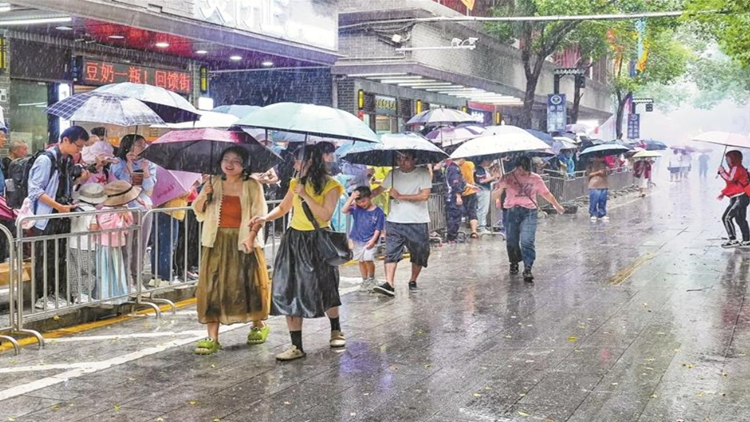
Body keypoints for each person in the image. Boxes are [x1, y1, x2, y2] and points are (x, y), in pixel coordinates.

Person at [250, 144, 345, 361]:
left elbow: (324, 215)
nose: (294, 164)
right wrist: (265, 218)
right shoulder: (295, 183)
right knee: (289, 288)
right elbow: (284, 208)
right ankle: (296, 345)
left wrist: (306, 195)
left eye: (298, 160)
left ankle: (336, 329)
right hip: (294, 239)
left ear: (310, 161)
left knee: (326, 286)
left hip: (318, 239)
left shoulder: (332, 186)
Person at [192, 147, 271, 355]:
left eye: (236, 160)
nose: (229, 164)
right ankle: (212, 337)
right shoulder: (213, 183)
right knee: (212, 286)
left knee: (247, 285)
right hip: (215, 241)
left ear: (244, 165)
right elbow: (198, 210)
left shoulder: (252, 185)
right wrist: (204, 197)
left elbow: (259, 214)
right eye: (226, 159)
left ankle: (258, 325)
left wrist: (251, 237)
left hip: (244, 240)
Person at [28, 126, 92, 309]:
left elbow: (64, 183)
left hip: (62, 215)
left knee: (60, 256)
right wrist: (58, 206)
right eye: (78, 146)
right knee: (44, 257)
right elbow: (35, 190)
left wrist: (79, 181)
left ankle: (56, 293)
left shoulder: (67, 160)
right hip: (46, 217)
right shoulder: (46, 159)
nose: (80, 150)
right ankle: (41, 297)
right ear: (65, 140)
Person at [371, 151, 432, 296]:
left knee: (419, 253)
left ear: (414, 160)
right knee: (391, 252)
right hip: (395, 220)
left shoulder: (423, 173)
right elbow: (379, 190)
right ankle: (389, 284)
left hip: (417, 220)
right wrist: (362, 196)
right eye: (398, 159)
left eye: (406, 159)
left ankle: (412, 279)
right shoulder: (392, 174)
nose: (401, 162)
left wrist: (400, 196)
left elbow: (424, 195)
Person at [495, 156, 565, 282]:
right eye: (521, 169)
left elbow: (545, 193)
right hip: (511, 211)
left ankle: (528, 267)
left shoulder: (535, 178)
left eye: (527, 170)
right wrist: (501, 188)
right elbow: (494, 196)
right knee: (511, 241)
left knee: (527, 241)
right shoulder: (507, 177)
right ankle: (514, 261)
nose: (524, 173)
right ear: (516, 166)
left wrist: (556, 205)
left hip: (529, 212)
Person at [111, 134, 157, 289]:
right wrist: (129, 167)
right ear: (129, 146)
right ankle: (126, 279)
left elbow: (149, 190)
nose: (143, 147)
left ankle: (137, 278)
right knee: (126, 246)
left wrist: (145, 170)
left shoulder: (149, 164)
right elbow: (122, 186)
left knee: (141, 245)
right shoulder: (117, 163)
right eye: (139, 144)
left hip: (143, 207)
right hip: (125, 208)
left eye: (144, 144)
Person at [94, 180, 137, 304]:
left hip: (115, 244)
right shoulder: (104, 210)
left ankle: (118, 294)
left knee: (116, 269)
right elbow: (108, 226)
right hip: (105, 244)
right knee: (105, 269)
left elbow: (128, 224)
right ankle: (106, 295)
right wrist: (119, 217)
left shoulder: (123, 208)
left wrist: (123, 216)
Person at [67, 183, 106, 303]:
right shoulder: (93, 212)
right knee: (88, 270)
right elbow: (93, 228)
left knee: (74, 269)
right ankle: (84, 294)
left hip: (72, 243)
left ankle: (75, 294)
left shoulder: (75, 208)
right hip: (86, 245)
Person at [342, 186, 385, 293]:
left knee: (368, 259)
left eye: (364, 201)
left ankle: (371, 278)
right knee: (361, 260)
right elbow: (344, 210)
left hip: (370, 240)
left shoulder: (378, 212)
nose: (362, 204)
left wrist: (373, 240)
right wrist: (351, 198)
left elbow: (378, 229)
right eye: (359, 202)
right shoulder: (356, 209)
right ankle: (364, 279)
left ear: (370, 197)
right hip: (357, 239)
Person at [718, 150, 750, 248]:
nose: (727, 160)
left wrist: (722, 172)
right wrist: (723, 193)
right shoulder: (737, 168)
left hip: (739, 197)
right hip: (740, 197)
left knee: (726, 217)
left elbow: (730, 179)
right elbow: (733, 184)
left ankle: (733, 240)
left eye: (729, 158)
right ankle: (746, 240)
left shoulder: (736, 168)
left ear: (734, 158)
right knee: (740, 219)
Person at [444, 158, 466, 242]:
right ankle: (452, 237)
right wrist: (458, 196)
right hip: (453, 196)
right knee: (455, 216)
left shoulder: (449, 167)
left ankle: (452, 235)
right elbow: (455, 183)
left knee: (453, 216)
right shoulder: (454, 168)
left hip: (450, 196)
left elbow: (460, 182)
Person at [457, 158, 479, 238]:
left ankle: (458, 230)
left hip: (460, 192)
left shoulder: (455, 167)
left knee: (459, 212)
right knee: (472, 212)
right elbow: (473, 172)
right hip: (471, 191)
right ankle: (474, 231)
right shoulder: (470, 164)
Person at [475, 158, 498, 234]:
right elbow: (481, 181)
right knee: (482, 209)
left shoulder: (484, 169)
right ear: (484, 160)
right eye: (489, 160)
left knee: (484, 209)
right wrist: (493, 177)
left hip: (486, 190)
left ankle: (483, 225)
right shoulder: (479, 169)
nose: (490, 162)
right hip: (482, 190)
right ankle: (481, 226)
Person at [587, 155, 610, 222]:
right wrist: (598, 172)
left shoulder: (605, 164)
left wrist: (608, 170)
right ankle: (593, 213)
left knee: (603, 200)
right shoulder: (590, 164)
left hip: (604, 184)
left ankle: (602, 214)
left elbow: (607, 173)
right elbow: (588, 174)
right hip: (594, 184)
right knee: (594, 200)